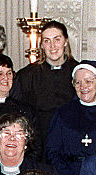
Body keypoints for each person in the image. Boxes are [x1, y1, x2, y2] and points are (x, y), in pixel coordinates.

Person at [13, 20, 78, 150]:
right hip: (39, 141)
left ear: (65, 41)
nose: (52, 46)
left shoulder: (79, 72)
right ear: (41, 45)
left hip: (72, 139)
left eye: (57, 39)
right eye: (46, 41)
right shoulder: (27, 75)